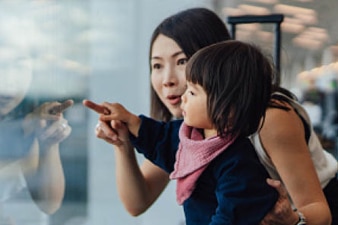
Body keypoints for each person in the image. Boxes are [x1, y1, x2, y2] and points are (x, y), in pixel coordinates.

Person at [84, 7, 336, 225]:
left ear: (217, 62)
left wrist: (292, 220)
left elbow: (320, 212)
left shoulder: (267, 117)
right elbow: (138, 203)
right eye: (157, 65)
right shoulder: (195, 130)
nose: (167, 80)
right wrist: (123, 141)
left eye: (182, 61)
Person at [87, 40, 280, 225]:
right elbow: (159, 138)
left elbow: (230, 217)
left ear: (227, 108)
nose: (183, 98)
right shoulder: (190, 134)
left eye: (193, 92)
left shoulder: (239, 164)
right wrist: (127, 120)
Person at [0, 64, 73, 224]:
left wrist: (49, 144)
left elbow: (48, 204)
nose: (10, 81)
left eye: (20, 66)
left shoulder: (25, 120)